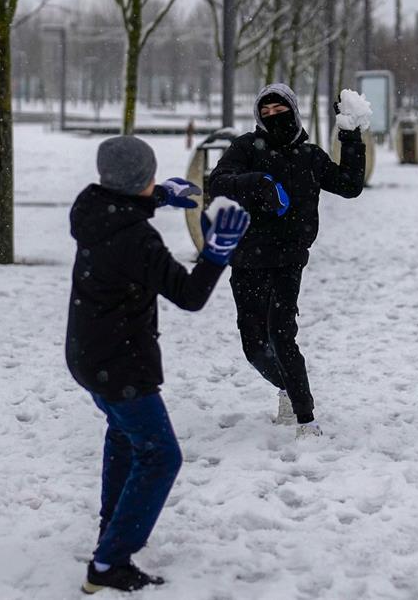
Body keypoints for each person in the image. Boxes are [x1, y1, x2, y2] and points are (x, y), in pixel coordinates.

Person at [66, 136, 250, 593]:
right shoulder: (136, 239)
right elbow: (189, 296)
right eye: (150, 177)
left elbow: (121, 202)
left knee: (126, 438)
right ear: (135, 182)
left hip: (88, 354)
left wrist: (158, 195)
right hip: (121, 362)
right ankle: (109, 563)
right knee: (162, 456)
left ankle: (113, 531)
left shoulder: (91, 209)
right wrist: (217, 252)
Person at [209, 83, 366, 438]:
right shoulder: (246, 148)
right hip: (247, 258)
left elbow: (349, 184)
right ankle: (285, 386)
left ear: (293, 112)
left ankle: (305, 418)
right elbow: (218, 182)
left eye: (279, 111)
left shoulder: (310, 156)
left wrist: (351, 137)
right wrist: (257, 183)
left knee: (281, 335)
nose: (273, 117)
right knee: (253, 346)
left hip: (289, 258)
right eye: (265, 113)